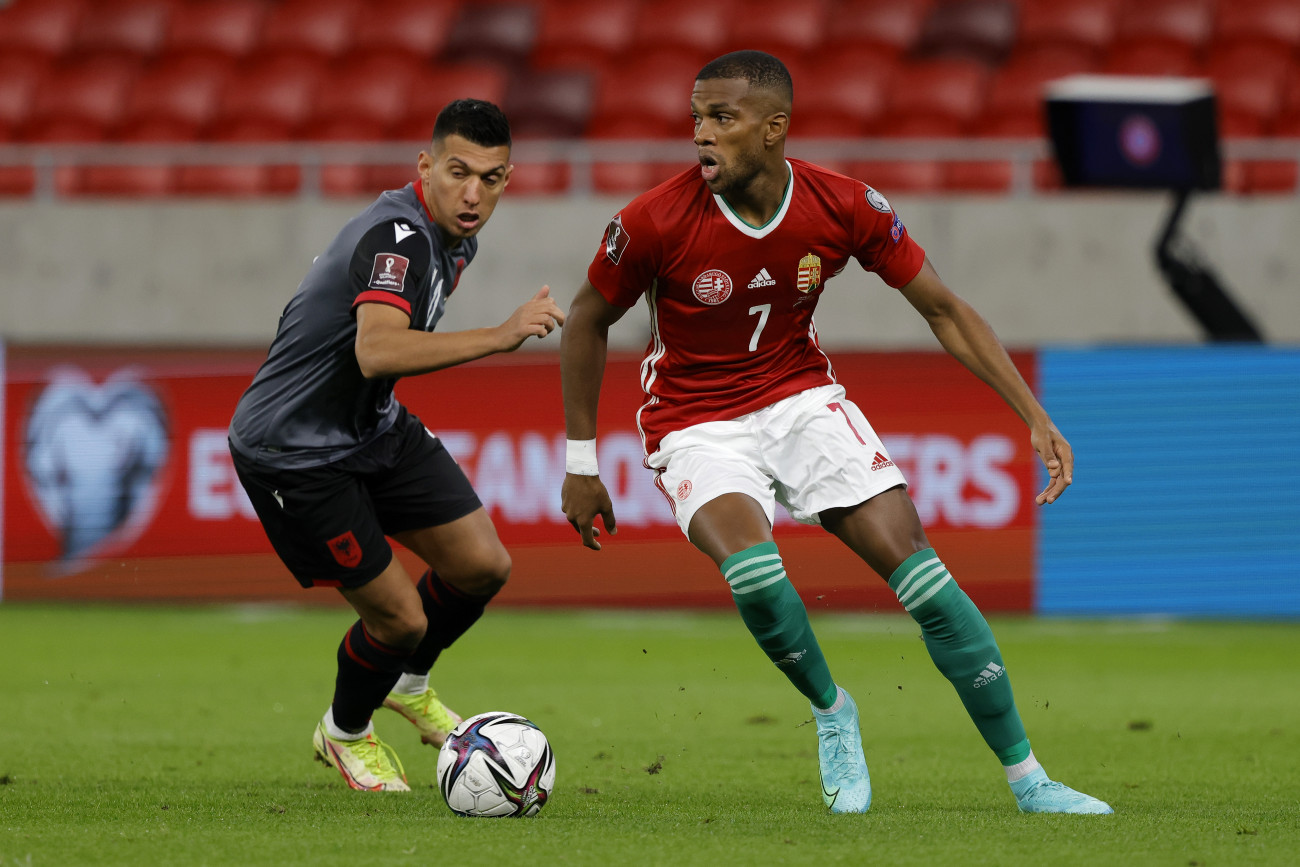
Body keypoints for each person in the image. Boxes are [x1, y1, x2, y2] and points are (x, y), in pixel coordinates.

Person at [560, 51, 1111, 815]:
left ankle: (1029, 778)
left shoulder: (844, 205)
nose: (702, 136)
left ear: (774, 128)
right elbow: (586, 320)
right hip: (695, 420)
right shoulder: (652, 220)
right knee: (754, 573)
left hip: (800, 401)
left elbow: (943, 309)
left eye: (722, 118)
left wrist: (1034, 416)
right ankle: (832, 710)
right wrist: (580, 462)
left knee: (926, 581)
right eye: (696, 119)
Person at [229, 99, 564, 792]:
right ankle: (345, 731)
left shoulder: (454, 236)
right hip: (295, 449)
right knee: (400, 616)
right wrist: (503, 335)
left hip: (371, 425)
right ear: (425, 166)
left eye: (493, 178)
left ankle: (409, 686)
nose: (474, 194)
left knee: (481, 564)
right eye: (458, 172)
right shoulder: (400, 239)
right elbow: (377, 349)